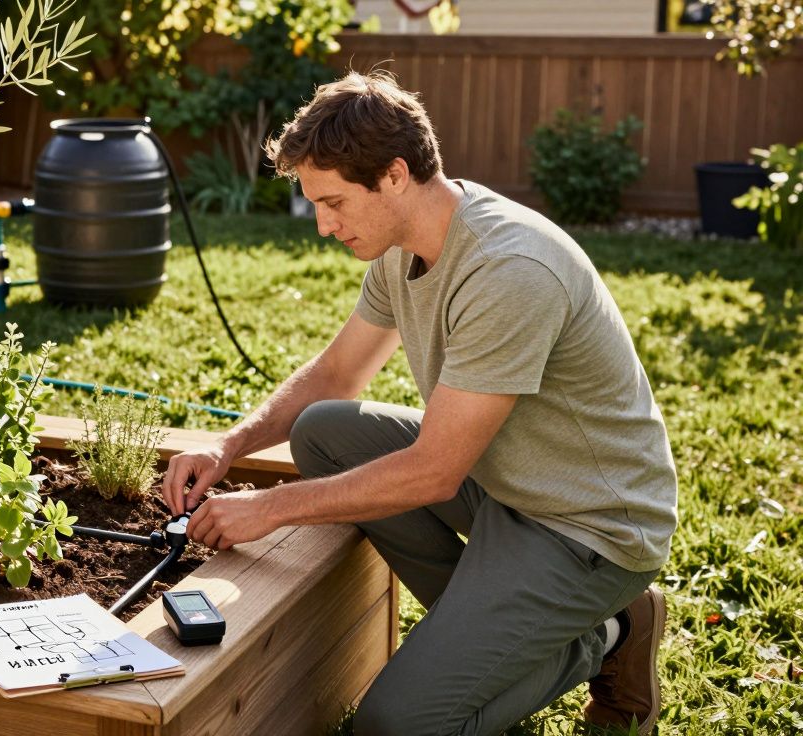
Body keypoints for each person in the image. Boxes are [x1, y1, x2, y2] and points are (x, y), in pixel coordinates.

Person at [161, 70, 678, 736]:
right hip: (508, 483)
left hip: (590, 527)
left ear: (396, 175)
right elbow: (337, 373)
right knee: (324, 430)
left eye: (335, 202)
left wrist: (270, 507)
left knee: (393, 724)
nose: (323, 225)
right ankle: (501, 627)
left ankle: (603, 635)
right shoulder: (400, 245)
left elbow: (434, 472)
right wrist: (226, 445)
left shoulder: (509, 271)